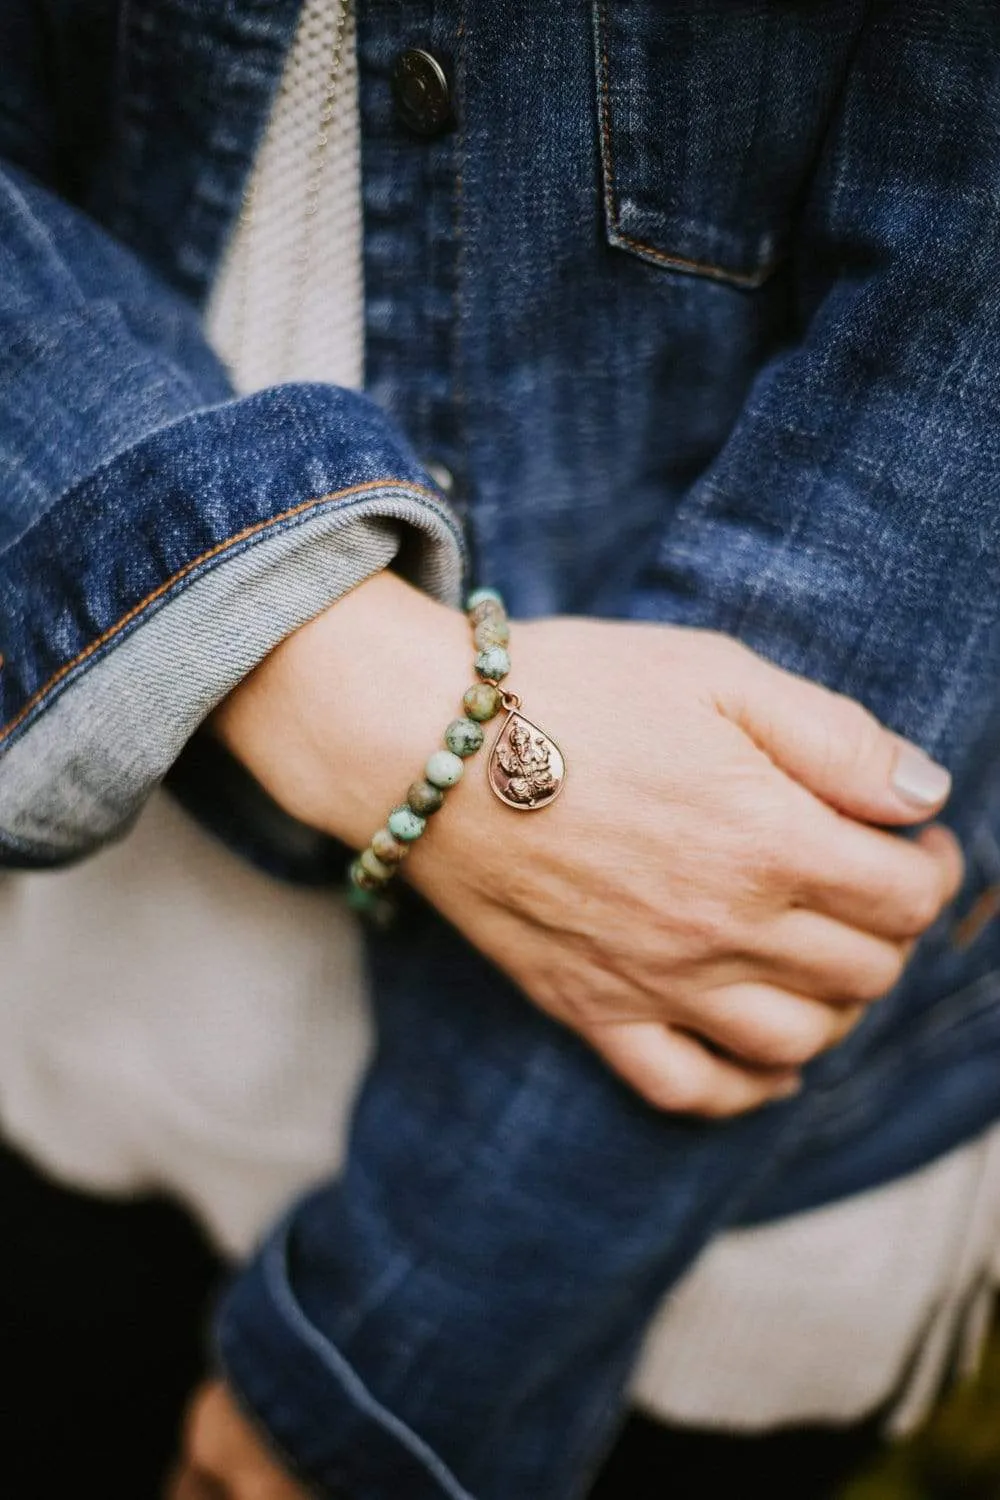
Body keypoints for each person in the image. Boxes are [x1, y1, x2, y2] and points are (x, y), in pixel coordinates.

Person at [1, 3, 999, 1498]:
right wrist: (340, 673)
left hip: (629, 1185)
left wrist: (391, 1371)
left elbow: (939, 433)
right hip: (123, 943)